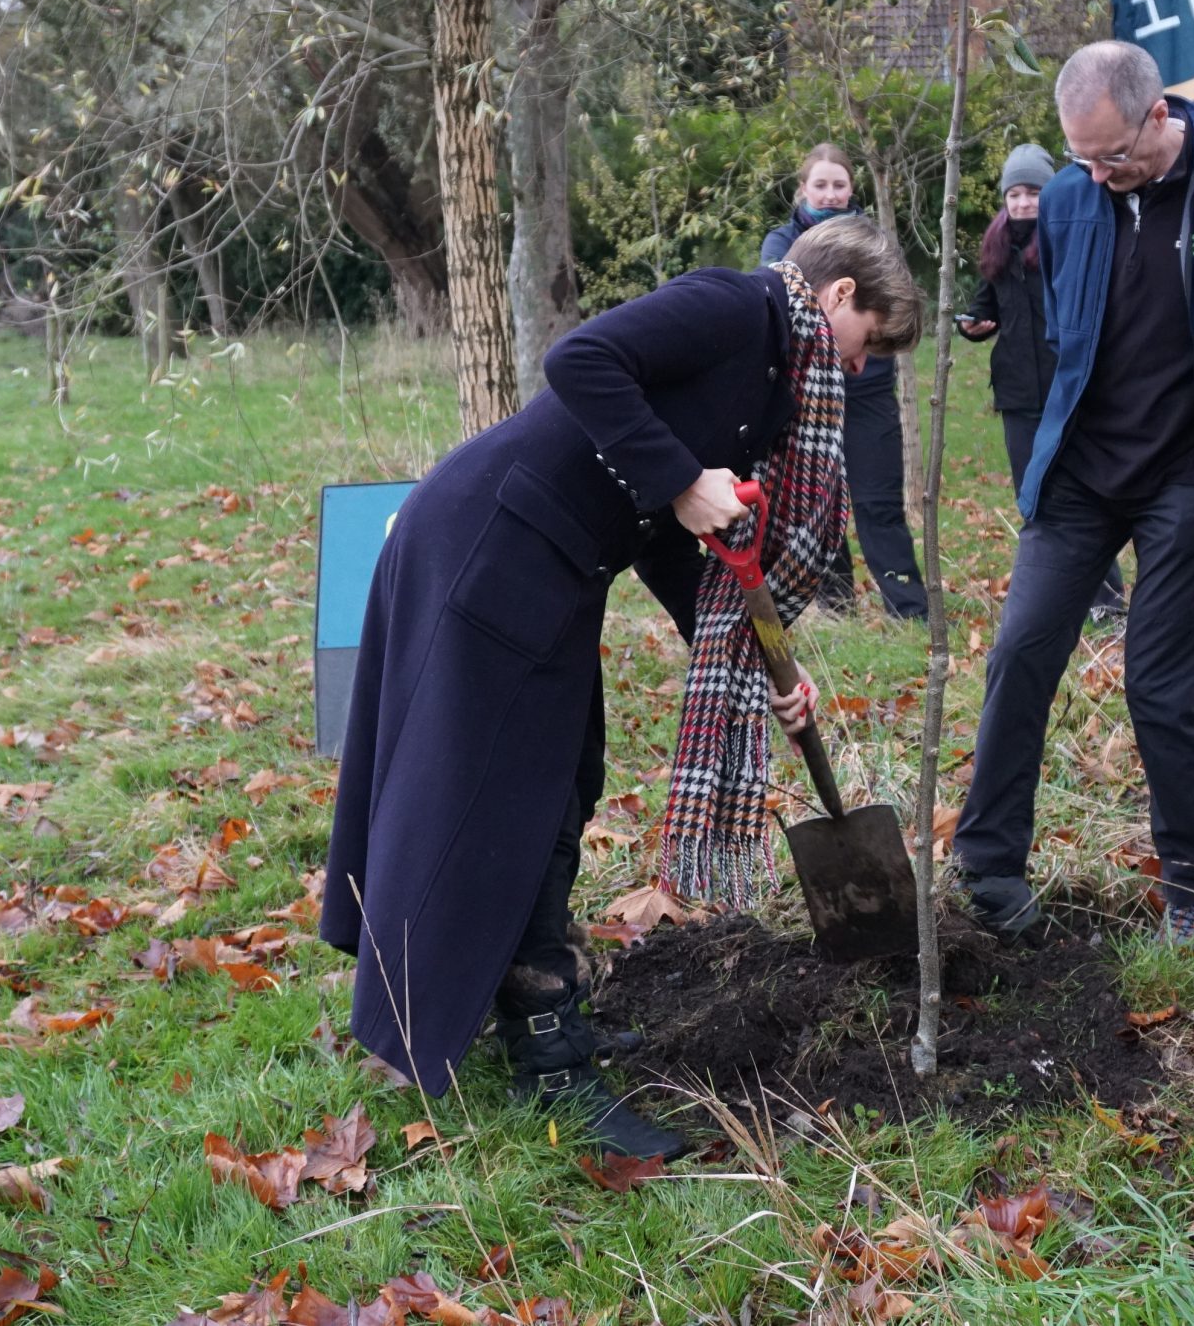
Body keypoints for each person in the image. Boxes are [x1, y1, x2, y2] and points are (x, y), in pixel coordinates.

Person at [321, 216, 922, 1157]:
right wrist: (683, 479)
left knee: (564, 786)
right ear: (841, 295)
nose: (856, 369)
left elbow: (676, 548)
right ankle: (549, 1057)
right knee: (511, 801)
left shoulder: (773, 378)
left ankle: (533, 1009)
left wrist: (763, 664)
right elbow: (582, 361)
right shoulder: (739, 307)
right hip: (492, 547)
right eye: (869, 344)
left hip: (549, 566)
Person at [952, 41, 1194, 950]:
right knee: (1020, 652)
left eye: (1114, 156)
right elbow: (1073, 328)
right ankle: (988, 870)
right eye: (1081, 158)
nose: (1099, 176)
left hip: (1193, 474)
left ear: (1161, 116)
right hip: (1081, 475)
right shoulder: (1072, 199)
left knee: (1159, 687)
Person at [759, 146, 928, 621]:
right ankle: (834, 605)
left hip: (870, 392)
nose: (831, 193)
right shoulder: (782, 243)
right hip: (809, 396)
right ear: (803, 189)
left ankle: (907, 607)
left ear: (852, 188)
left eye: (839, 184)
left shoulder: (873, 242)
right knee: (819, 499)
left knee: (879, 501)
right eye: (821, 185)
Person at [956, 143, 1123, 621]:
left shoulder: (1067, 240)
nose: (1024, 203)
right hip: (1016, 393)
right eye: (1015, 195)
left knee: (1082, 492)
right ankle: (1056, 595)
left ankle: (1107, 599)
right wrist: (969, 326)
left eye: (1033, 193)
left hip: (1067, 390)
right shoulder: (997, 250)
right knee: (1034, 494)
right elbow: (983, 308)